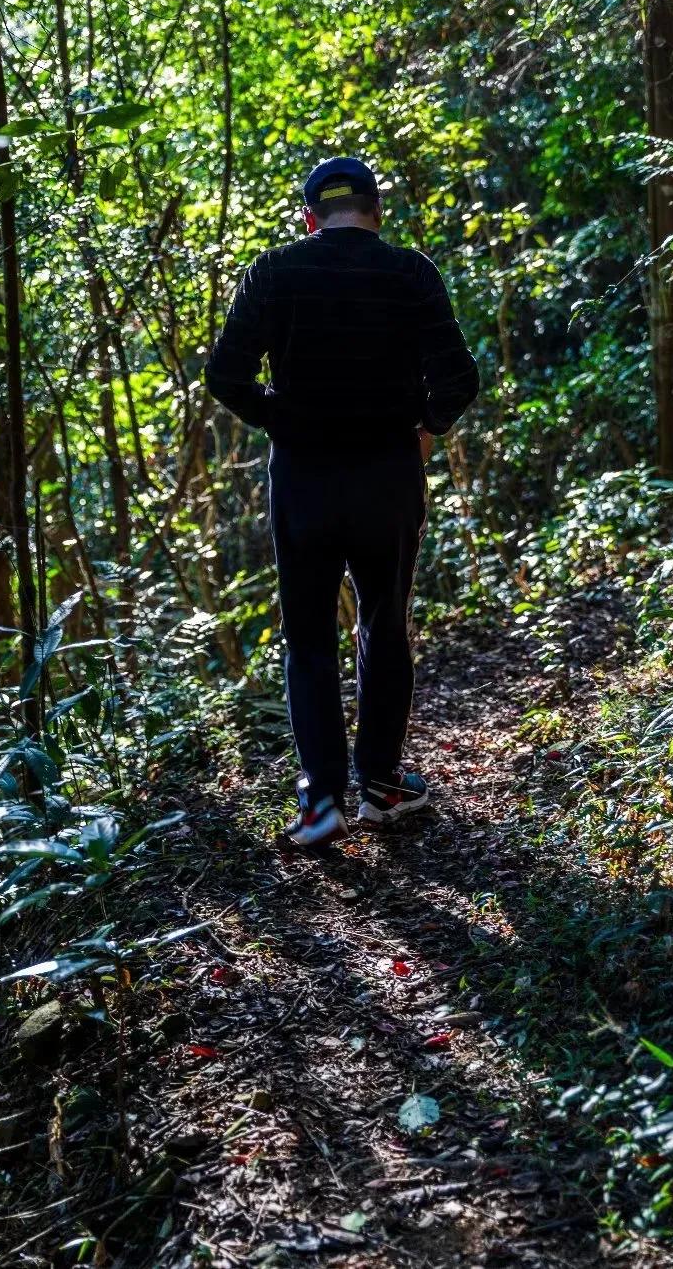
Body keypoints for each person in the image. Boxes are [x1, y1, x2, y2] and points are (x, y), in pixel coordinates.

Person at [204, 155, 479, 849]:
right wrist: (425, 432)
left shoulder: (275, 271)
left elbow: (225, 374)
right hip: (387, 475)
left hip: (303, 480)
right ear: (376, 211)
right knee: (385, 626)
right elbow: (459, 378)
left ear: (309, 216)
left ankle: (321, 802)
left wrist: (284, 417)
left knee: (307, 639)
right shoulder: (410, 272)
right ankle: (381, 786)